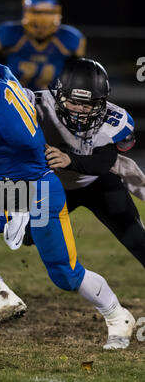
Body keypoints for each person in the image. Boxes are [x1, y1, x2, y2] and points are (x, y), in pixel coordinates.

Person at [0, 28, 135, 350]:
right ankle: (0, 295)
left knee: (66, 275)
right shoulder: (1, 74)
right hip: (8, 192)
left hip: (38, 193)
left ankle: (118, 316)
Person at [21, 58, 145, 269]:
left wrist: (70, 160)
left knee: (138, 241)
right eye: (74, 102)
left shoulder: (114, 119)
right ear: (59, 94)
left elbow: (104, 161)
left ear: (102, 102)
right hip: (54, 187)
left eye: (88, 105)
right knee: (27, 235)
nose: (79, 110)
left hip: (98, 184)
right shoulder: (36, 104)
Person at [0, 0, 86, 91]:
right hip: (13, 98)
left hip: (53, 102)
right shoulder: (7, 33)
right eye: (37, 12)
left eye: (48, 12)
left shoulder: (70, 38)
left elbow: (76, 78)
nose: (43, 18)